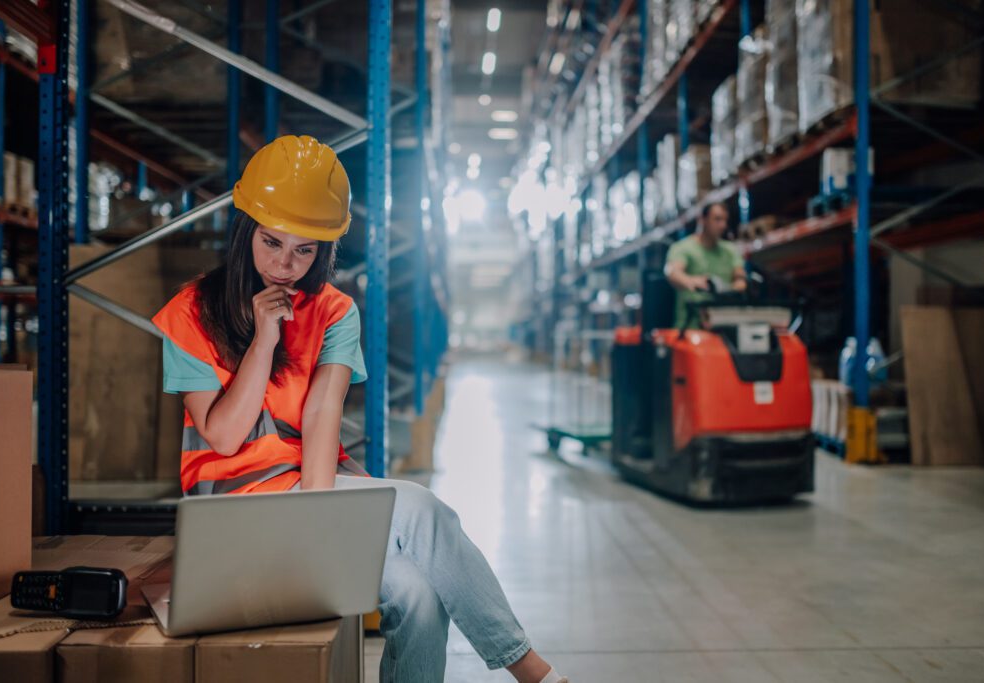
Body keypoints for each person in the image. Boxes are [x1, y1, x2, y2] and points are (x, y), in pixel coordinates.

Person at [152, 135, 567, 683]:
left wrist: (320, 527)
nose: (285, 265)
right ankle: (534, 672)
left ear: (324, 250)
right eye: (273, 242)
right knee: (422, 509)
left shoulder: (334, 311)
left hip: (310, 493)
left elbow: (324, 414)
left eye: (305, 251)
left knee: (418, 595)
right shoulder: (191, 313)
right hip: (232, 509)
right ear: (246, 227)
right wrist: (263, 341)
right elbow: (224, 437)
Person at [663, 201, 747, 326]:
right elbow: (672, 272)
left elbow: (740, 279)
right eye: (717, 219)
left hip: (723, 324)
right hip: (691, 326)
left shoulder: (730, 250)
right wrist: (691, 281)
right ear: (703, 220)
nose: (723, 225)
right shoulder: (683, 248)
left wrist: (731, 289)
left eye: (725, 220)